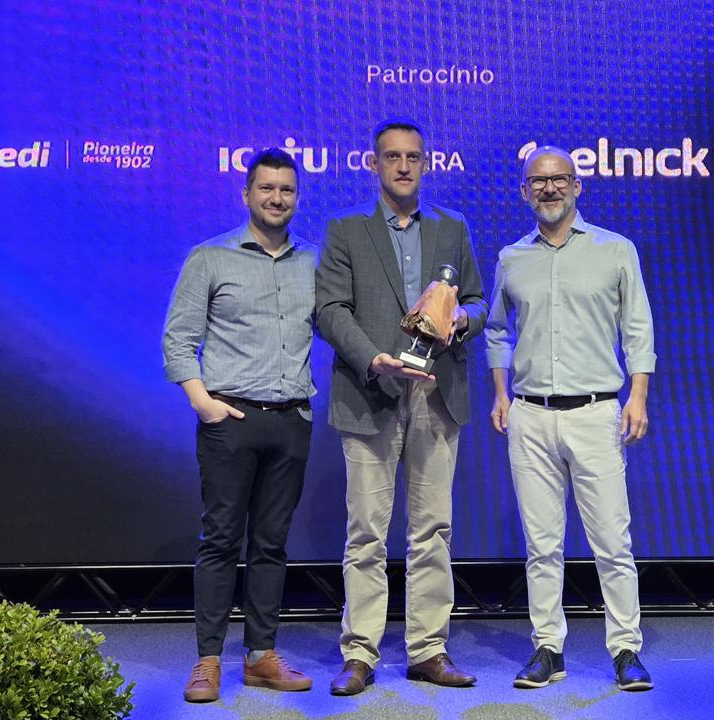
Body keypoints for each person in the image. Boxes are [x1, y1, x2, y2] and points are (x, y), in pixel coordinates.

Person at [315, 117, 487, 695]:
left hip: (436, 392)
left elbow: (476, 300)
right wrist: (374, 359)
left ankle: (428, 649)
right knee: (366, 531)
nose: (404, 165)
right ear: (374, 164)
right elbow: (330, 310)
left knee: (433, 528)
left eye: (413, 156)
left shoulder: (452, 227)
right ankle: (360, 652)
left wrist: (463, 320)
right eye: (392, 156)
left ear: (427, 164)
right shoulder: (345, 229)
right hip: (372, 391)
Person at [485, 145, 656, 691]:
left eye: (560, 179)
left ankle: (626, 649)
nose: (550, 188)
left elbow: (638, 328)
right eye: (538, 181)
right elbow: (496, 330)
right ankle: (548, 648)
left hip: (596, 412)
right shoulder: (512, 258)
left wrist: (638, 396)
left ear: (578, 186)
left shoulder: (615, 250)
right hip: (530, 416)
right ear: (524, 192)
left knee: (612, 543)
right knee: (542, 545)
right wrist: (500, 393)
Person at [163, 148, 317, 702]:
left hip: (292, 420)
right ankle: (208, 661)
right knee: (221, 541)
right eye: (267, 188)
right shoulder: (210, 257)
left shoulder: (314, 261)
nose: (277, 198)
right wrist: (202, 403)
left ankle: (260, 657)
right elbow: (178, 339)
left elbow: (340, 327)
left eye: (287, 190)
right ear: (246, 194)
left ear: (297, 197)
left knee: (272, 544)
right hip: (230, 419)